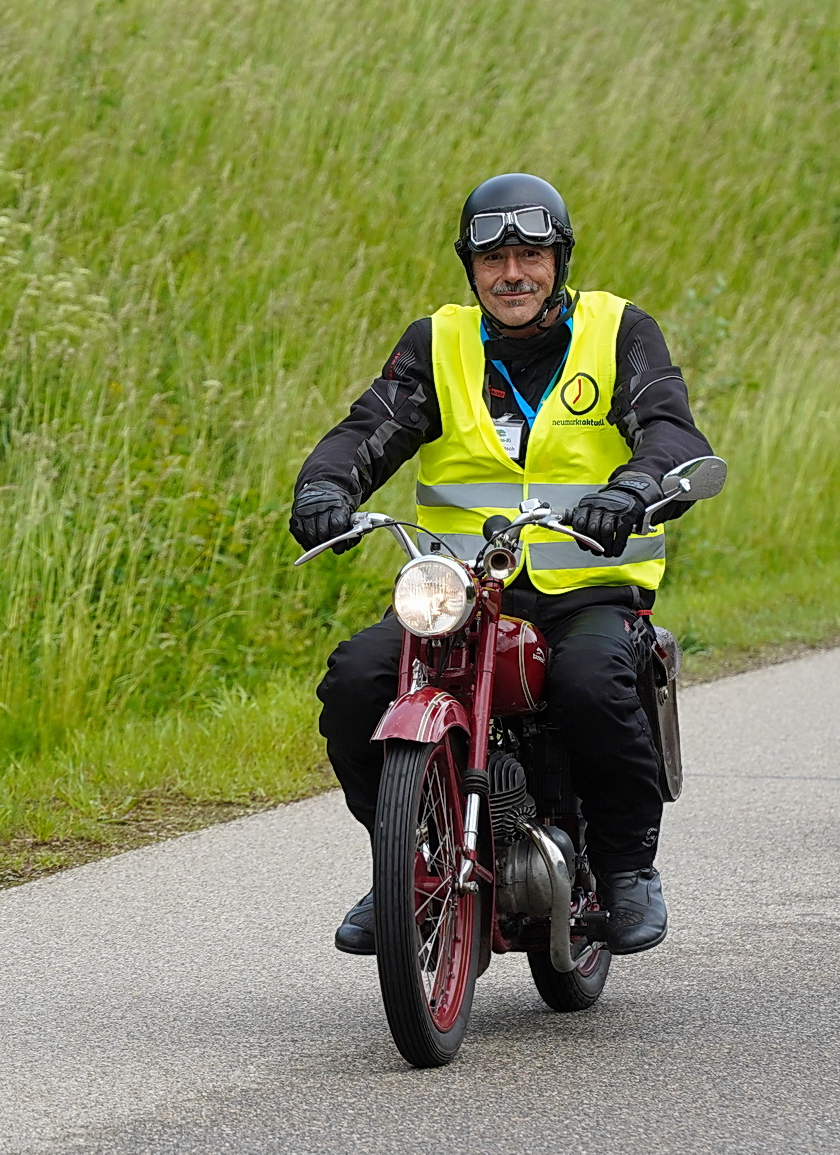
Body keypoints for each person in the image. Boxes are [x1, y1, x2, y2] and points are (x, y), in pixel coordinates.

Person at [290, 173, 713, 956]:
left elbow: (670, 431)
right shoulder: (437, 343)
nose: (512, 273)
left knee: (592, 682)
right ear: (470, 268)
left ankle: (625, 869)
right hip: (461, 592)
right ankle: (407, 860)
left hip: (585, 585)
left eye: (530, 254)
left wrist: (632, 489)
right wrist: (324, 485)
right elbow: (371, 427)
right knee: (356, 680)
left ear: (559, 259)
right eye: (494, 260)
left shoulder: (618, 331)